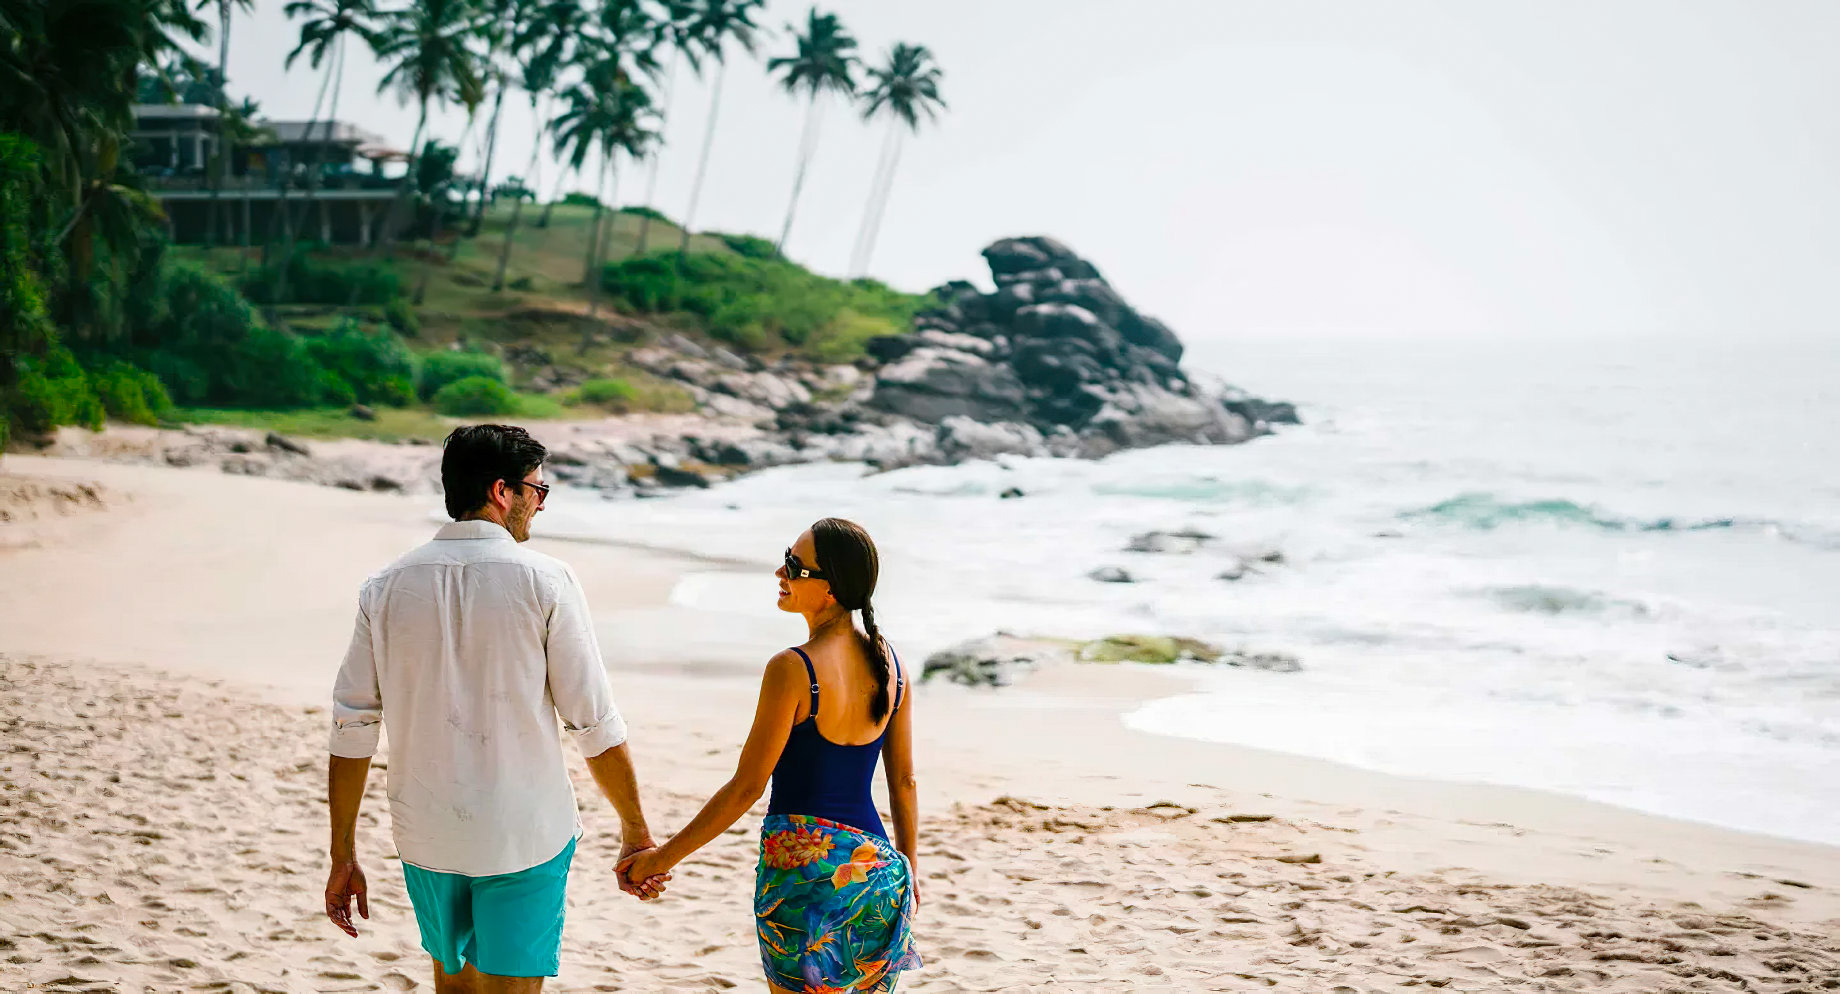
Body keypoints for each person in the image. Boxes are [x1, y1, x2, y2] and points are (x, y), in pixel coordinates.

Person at [323, 424, 663, 993]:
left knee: (451, 986)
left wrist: (343, 854)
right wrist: (635, 831)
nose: (539, 503)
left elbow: (351, 728)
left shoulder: (384, 586)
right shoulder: (546, 580)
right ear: (503, 492)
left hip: (426, 832)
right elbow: (594, 723)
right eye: (538, 489)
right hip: (522, 832)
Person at [620, 518, 922, 993]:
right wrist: (910, 871)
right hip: (880, 877)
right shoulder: (893, 667)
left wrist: (662, 859)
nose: (779, 573)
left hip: (806, 883)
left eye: (794, 566)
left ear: (828, 589)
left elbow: (747, 787)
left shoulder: (792, 668)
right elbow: (903, 783)